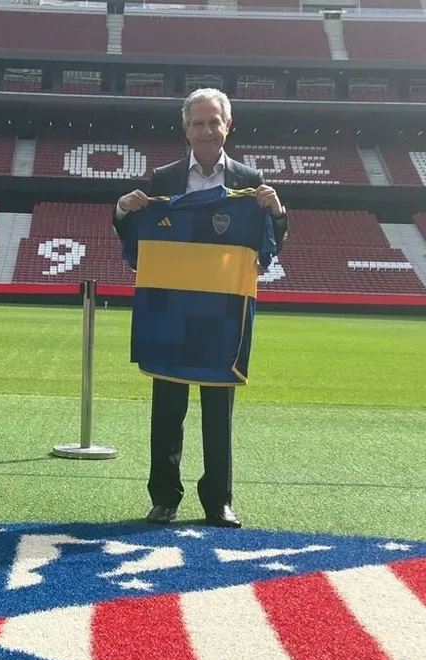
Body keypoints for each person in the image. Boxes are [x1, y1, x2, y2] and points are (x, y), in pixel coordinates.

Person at [112, 87, 287, 529]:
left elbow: (268, 245)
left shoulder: (250, 179)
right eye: (198, 123)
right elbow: (136, 234)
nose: (206, 130)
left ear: (228, 126)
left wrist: (277, 212)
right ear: (185, 129)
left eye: (214, 122)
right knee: (167, 406)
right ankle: (164, 497)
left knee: (217, 409)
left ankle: (218, 501)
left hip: (221, 312)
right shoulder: (164, 179)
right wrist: (122, 210)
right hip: (171, 308)